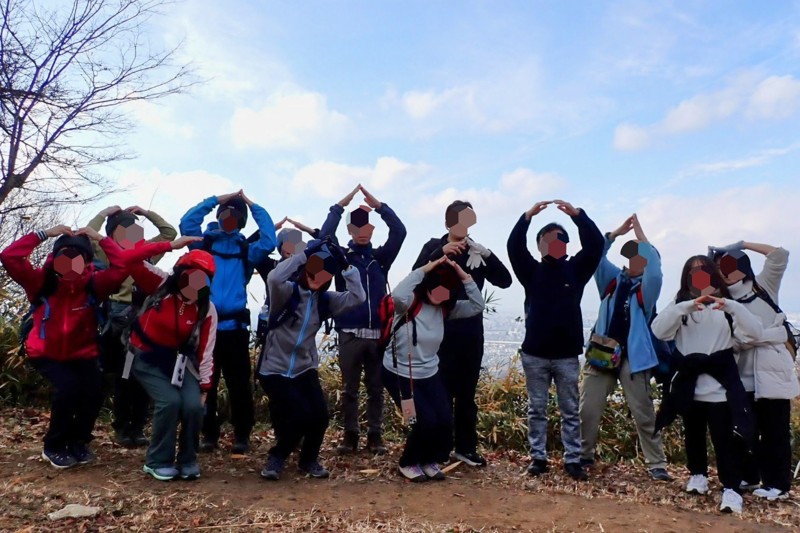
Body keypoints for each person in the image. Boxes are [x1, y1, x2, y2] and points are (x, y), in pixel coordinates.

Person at [0, 225, 161, 469]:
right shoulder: (40, 282)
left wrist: (100, 239)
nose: (70, 263)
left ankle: (79, 442)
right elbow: (9, 256)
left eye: (77, 258)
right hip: (45, 351)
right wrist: (45, 234)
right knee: (68, 389)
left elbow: (123, 266)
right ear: (55, 258)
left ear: (87, 261)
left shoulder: (95, 285)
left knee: (93, 392)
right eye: (64, 256)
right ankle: (53, 445)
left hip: (82, 351)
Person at [652, 255, 763, 514]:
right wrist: (686, 306)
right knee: (693, 434)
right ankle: (698, 475)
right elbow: (659, 331)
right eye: (693, 272)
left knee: (725, 439)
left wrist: (731, 306)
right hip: (690, 384)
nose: (699, 276)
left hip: (720, 387)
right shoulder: (680, 305)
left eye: (703, 271)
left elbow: (755, 333)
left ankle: (731, 489)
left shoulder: (728, 306)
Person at [506, 200, 604, 481]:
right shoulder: (531, 271)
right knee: (536, 409)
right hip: (535, 353)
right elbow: (514, 247)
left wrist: (578, 216)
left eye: (560, 239)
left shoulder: (576, 270)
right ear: (539, 245)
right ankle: (538, 458)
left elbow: (595, 245)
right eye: (548, 240)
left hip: (566, 355)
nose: (554, 244)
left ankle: (572, 459)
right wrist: (526, 217)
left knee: (570, 410)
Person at [412, 200, 511, 467]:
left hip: (470, 332)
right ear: (448, 223)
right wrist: (439, 252)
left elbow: (505, 280)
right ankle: (439, 449)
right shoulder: (433, 247)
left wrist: (488, 254)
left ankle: (465, 448)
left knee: (466, 394)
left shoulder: (476, 253)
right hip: (438, 332)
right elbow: (415, 277)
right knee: (439, 392)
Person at [257, 238, 365, 480]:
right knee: (298, 416)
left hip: (304, 367)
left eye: (326, 273)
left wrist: (347, 267)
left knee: (319, 416)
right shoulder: (286, 292)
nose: (319, 277)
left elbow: (357, 298)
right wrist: (305, 254)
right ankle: (277, 457)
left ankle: (308, 460)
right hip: (274, 367)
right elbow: (274, 277)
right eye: (315, 270)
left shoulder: (326, 300)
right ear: (305, 269)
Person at [180, 190, 277, 454]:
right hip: (206, 326)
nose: (230, 218)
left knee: (239, 387)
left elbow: (269, 240)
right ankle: (209, 434)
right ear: (219, 216)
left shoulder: (246, 250)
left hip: (235, 328)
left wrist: (252, 204)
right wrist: (215, 200)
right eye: (226, 214)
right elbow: (186, 224)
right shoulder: (204, 245)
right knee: (205, 383)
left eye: (236, 216)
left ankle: (241, 435)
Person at [578, 214, 672, 481]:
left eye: (640, 257)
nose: (636, 261)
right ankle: (584, 455)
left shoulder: (647, 289)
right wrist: (614, 235)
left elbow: (655, 269)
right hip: (603, 352)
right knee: (588, 409)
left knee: (643, 412)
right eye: (633, 256)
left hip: (634, 359)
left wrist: (643, 240)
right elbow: (596, 256)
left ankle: (656, 464)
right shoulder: (611, 280)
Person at [318, 184, 406, 455]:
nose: (362, 233)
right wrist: (340, 205)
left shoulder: (381, 259)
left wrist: (379, 206)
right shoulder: (341, 258)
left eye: (367, 228)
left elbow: (400, 232)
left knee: (376, 389)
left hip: (378, 332)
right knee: (350, 389)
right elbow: (324, 236)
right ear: (350, 232)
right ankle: (350, 435)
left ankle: (375, 436)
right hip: (349, 331)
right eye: (357, 229)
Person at [709, 242, 799, 501]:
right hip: (742, 374)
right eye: (720, 266)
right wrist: (771, 333)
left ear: (743, 266)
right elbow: (734, 339)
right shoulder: (723, 299)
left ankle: (778, 484)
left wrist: (743, 243)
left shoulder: (763, 286)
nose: (724, 271)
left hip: (771, 371)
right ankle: (750, 477)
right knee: (743, 429)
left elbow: (780, 255)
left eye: (729, 265)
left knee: (776, 430)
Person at [122, 241, 219, 481]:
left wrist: (205, 387)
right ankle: (157, 460)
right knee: (170, 402)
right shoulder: (160, 285)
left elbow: (206, 350)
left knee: (194, 406)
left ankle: (188, 460)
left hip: (178, 361)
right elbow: (129, 260)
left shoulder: (206, 308)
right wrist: (170, 245)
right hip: (142, 355)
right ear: (179, 275)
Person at [383, 257, 484, 481]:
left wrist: (462, 274)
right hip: (400, 373)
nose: (439, 293)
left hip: (429, 372)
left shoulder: (446, 309)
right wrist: (425, 268)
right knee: (424, 420)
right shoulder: (409, 304)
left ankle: (429, 459)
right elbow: (398, 294)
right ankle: (408, 462)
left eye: (446, 288)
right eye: (436, 286)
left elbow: (477, 305)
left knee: (444, 419)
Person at [88, 204, 177, 448]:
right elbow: (88, 233)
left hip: (146, 315)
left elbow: (170, 234)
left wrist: (147, 212)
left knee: (143, 374)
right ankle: (123, 427)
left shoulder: (147, 252)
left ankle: (136, 427)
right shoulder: (108, 251)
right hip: (119, 316)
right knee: (122, 374)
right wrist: (104, 214)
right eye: (123, 229)